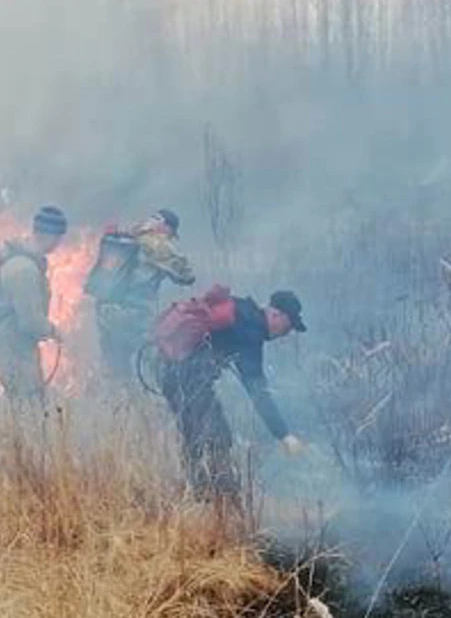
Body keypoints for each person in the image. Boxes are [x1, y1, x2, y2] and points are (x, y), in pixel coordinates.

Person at [154, 286, 309, 504]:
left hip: (168, 370)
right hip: (186, 379)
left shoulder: (242, 309)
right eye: (289, 325)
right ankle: (223, 502)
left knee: (194, 436)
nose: (287, 332)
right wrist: (284, 435)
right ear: (276, 315)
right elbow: (257, 392)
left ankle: (199, 497)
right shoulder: (250, 331)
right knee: (218, 437)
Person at [83, 208, 195, 382]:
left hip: (105, 311)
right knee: (156, 363)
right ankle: (156, 403)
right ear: (166, 227)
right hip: (135, 314)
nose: (171, 238)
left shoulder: (128, 235)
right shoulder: (158, 243)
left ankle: (118, 404)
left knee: (116, 367)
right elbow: (186, 276)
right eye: (172, 234)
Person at [0, 205, 68, 409]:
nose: (59, 244)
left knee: (22, 408)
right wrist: (53, 331)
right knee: (30, 411)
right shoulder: (24, 269)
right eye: (59, 238)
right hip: (14, 349)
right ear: (49, 236)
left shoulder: (22, 262)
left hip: (15, 346)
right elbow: (30, 321)